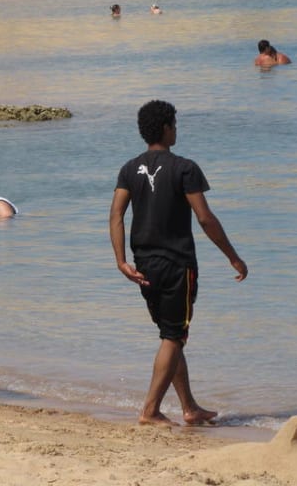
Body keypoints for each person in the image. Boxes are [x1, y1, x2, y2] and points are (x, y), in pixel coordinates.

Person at [108, 100, 248, 427]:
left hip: (143, 264)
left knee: (170, 334)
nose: (177, 129)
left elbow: (116, 215)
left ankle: (189, 407)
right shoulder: (185, 168)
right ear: (167, 127)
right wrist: (233, 256)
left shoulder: (130, 168)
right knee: (173, 336)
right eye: (175, 124)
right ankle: (150, 410)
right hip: (177, 264)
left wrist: (121, 262)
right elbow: (205, 218)